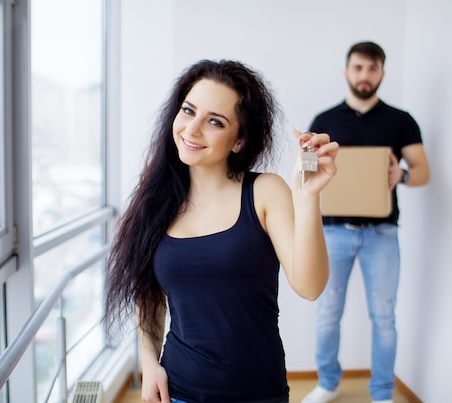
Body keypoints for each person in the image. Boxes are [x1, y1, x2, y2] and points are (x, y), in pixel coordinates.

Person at [105, 59, 339, 403]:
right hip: (179, 389)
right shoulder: (155, 202)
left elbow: (310, 286)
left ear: (239, 140)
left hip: (257, 391)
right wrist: (149, 363)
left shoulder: (265, 192)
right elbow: (149, 295)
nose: (192, 129)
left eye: (215, 121)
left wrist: (307, 198)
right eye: (188, 111)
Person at [301, 42, 430, 403]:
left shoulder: (401, 121)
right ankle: (327, 382)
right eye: (358, 68)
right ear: (347, 72)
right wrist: (306, 160)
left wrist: (400, 176)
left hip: (382, 233)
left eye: (372, 69)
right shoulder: (325, 120)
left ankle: (383, 393)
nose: (364, 75)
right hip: (333, 232)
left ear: (382, 74)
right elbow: (306, 174)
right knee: (327, 313)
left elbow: (423, 172)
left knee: (384, 318)